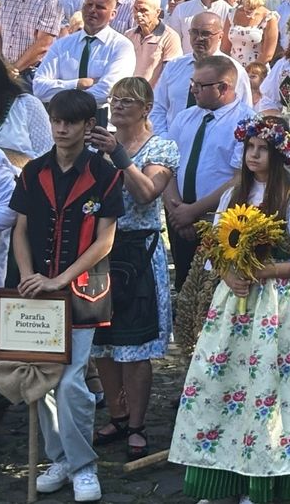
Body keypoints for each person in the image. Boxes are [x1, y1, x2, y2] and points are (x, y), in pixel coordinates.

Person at [169, 115, 290, 503]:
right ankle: (220, 474)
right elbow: (215, 248)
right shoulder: (233, 195)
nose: (253, 155)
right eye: (249, 148)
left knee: (271, 388)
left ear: (278, 156)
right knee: (223, 382)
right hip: (235, 304)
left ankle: (263, 476)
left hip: (279, 306)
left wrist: (267, 269)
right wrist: (228, 272)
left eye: (262, 149)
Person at [10, 89, 125, 502]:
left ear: (88, 126)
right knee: (40, 379)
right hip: (35, 290)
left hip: (81, 290)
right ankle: (58, 458)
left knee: (73, 380)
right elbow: (20, 230)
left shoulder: (106, 173)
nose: (61, 128)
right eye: (56, 120)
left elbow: (105, 241)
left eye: (71, 122)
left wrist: (60, 280)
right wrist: (27, 275)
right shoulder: (32, 171)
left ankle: (84, 466)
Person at [85, 77, 176, 461]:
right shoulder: (96, 143)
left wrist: (119, 156)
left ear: (147, 108)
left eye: (129, 101)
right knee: (102, 343)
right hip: (98, 248)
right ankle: (118, 416)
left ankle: (137, 424)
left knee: (135, 347)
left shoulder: (162, 146)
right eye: (115, 99)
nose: (119, 106)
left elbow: (145, 194)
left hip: (140, 247)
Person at [164, 55, 256, 291]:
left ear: (223, 88)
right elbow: (167, 166)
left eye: (200, 85)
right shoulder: (186, 117)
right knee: (185, 287)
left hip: (218, 221)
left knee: (213, 289)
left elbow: (240, 177)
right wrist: (178, 211)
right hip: (180, 218)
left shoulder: (246, 122)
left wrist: (194, 211)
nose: (193, 90)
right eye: (192, 83)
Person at [223, 0, 279, 65]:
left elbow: (268, 55)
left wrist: (249, 73)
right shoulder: (232, 13)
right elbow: (224, 49)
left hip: (256, 73)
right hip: (234, 72)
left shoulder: (268, 17)